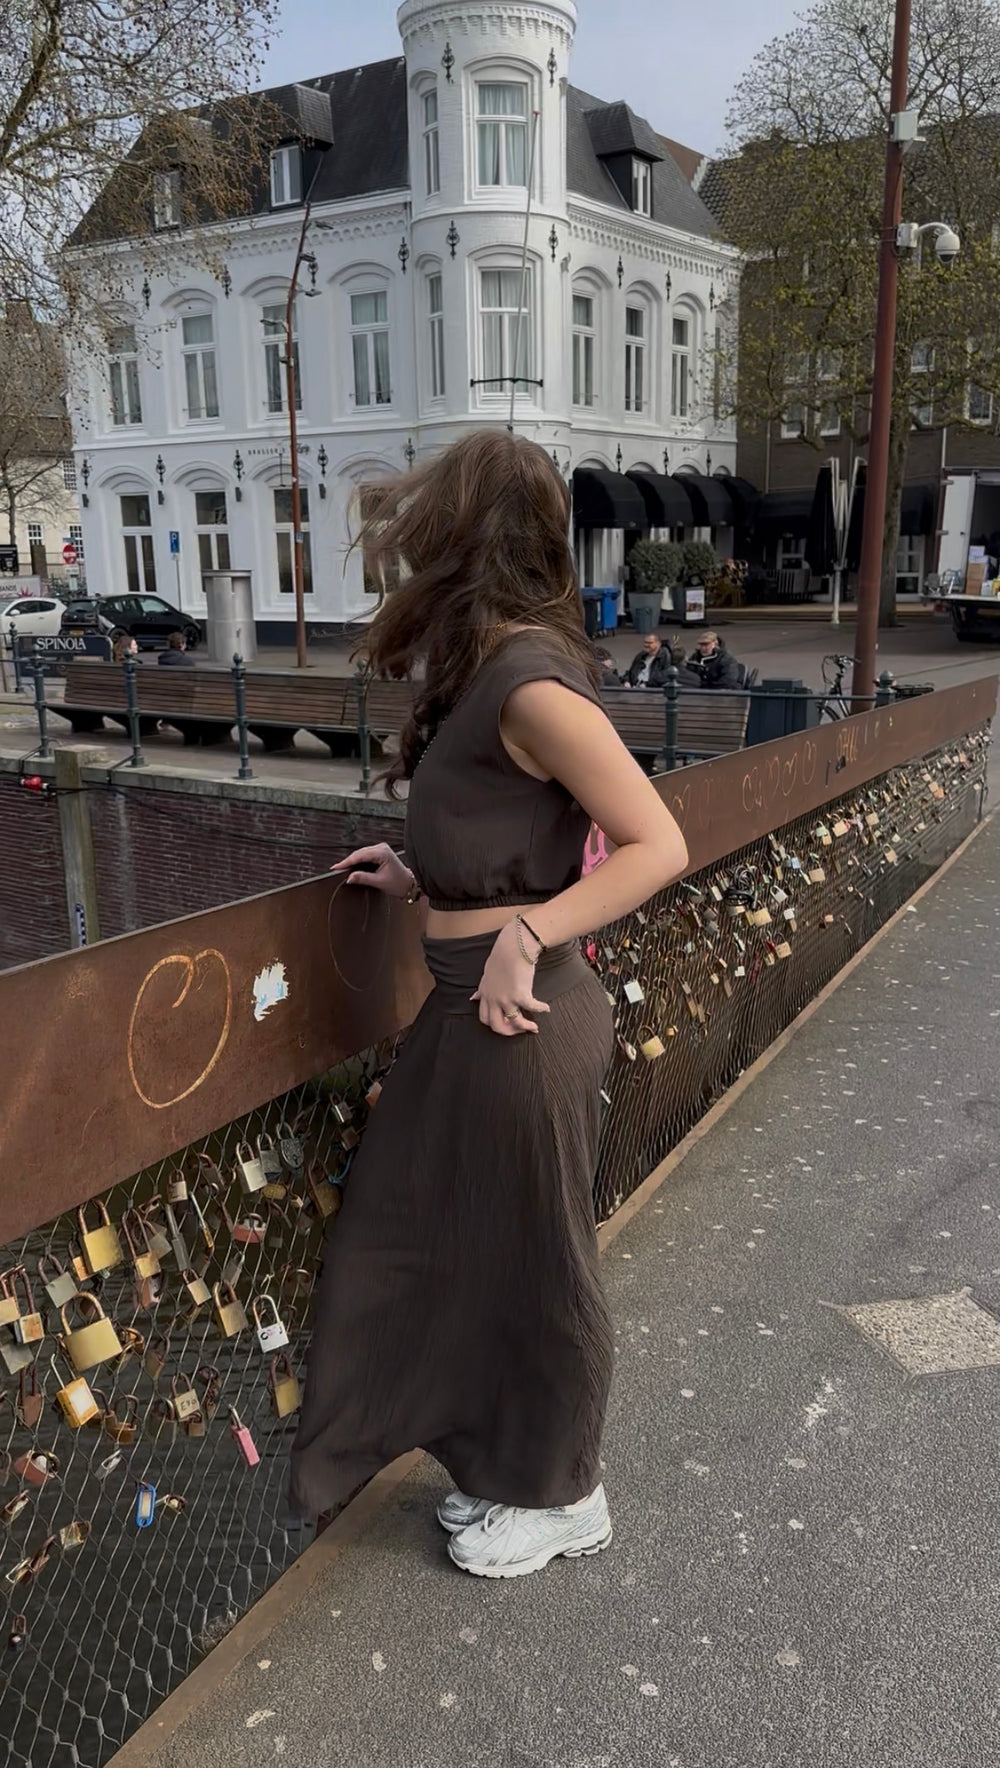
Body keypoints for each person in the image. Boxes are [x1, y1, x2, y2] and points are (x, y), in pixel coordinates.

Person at [289, 430, 688, 1578]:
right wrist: (424, 878)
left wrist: (524, 932)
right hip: (481, 1009)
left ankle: (568, 1492)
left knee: (536, 1261)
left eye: (424, 532)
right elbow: (513, 835)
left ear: (460, 539)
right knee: (440, 1240)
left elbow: (658, 841)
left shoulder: (531, 683)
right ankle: (508, 1464)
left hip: (522, 1018)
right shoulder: (494, 670)